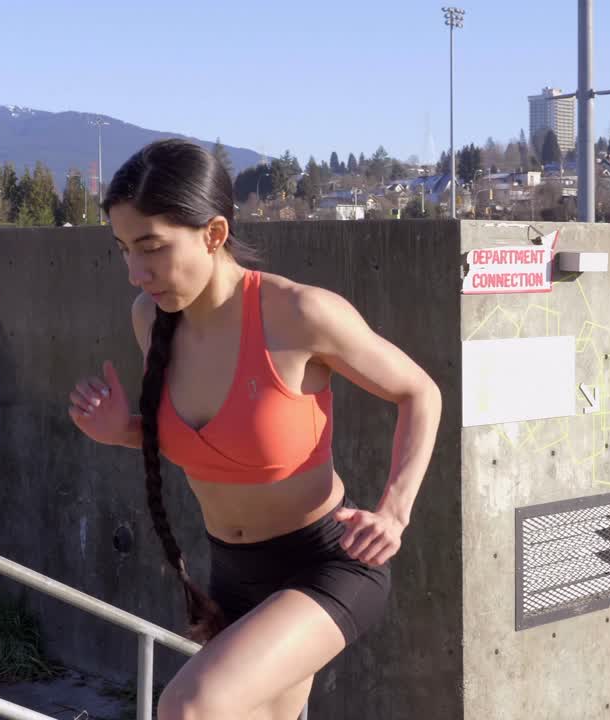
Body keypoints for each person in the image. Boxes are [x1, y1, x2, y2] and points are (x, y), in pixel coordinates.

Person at [67, 139, 441, 720]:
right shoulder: (151, 319)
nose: (137, 274)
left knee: (190, 706)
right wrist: (123, 431)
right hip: (232, 575)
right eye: (123, 251)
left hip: (326, 565)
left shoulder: (299, 315)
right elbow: (214, 445)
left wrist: (394, 510)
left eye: (152, 248)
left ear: (214, 234)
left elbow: (420, 392)